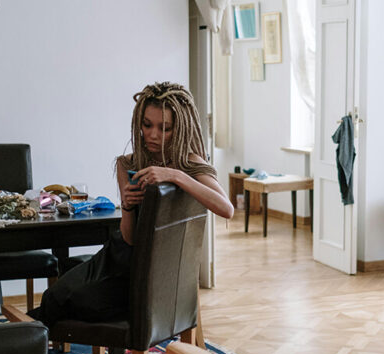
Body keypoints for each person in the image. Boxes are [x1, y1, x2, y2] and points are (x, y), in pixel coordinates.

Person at [28, 82, 233, 326]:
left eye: (164, 128)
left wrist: (176, 175)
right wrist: (126, 205)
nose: (153, 134)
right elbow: (130, 238)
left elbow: (226, 209)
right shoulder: (128, 164)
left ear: (179, 129)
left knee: (68, 303)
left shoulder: (189, 164)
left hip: (154, 273)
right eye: (147, 125)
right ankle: (23, 342)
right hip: (118, 257)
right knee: (55, 298)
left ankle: (20, 341)